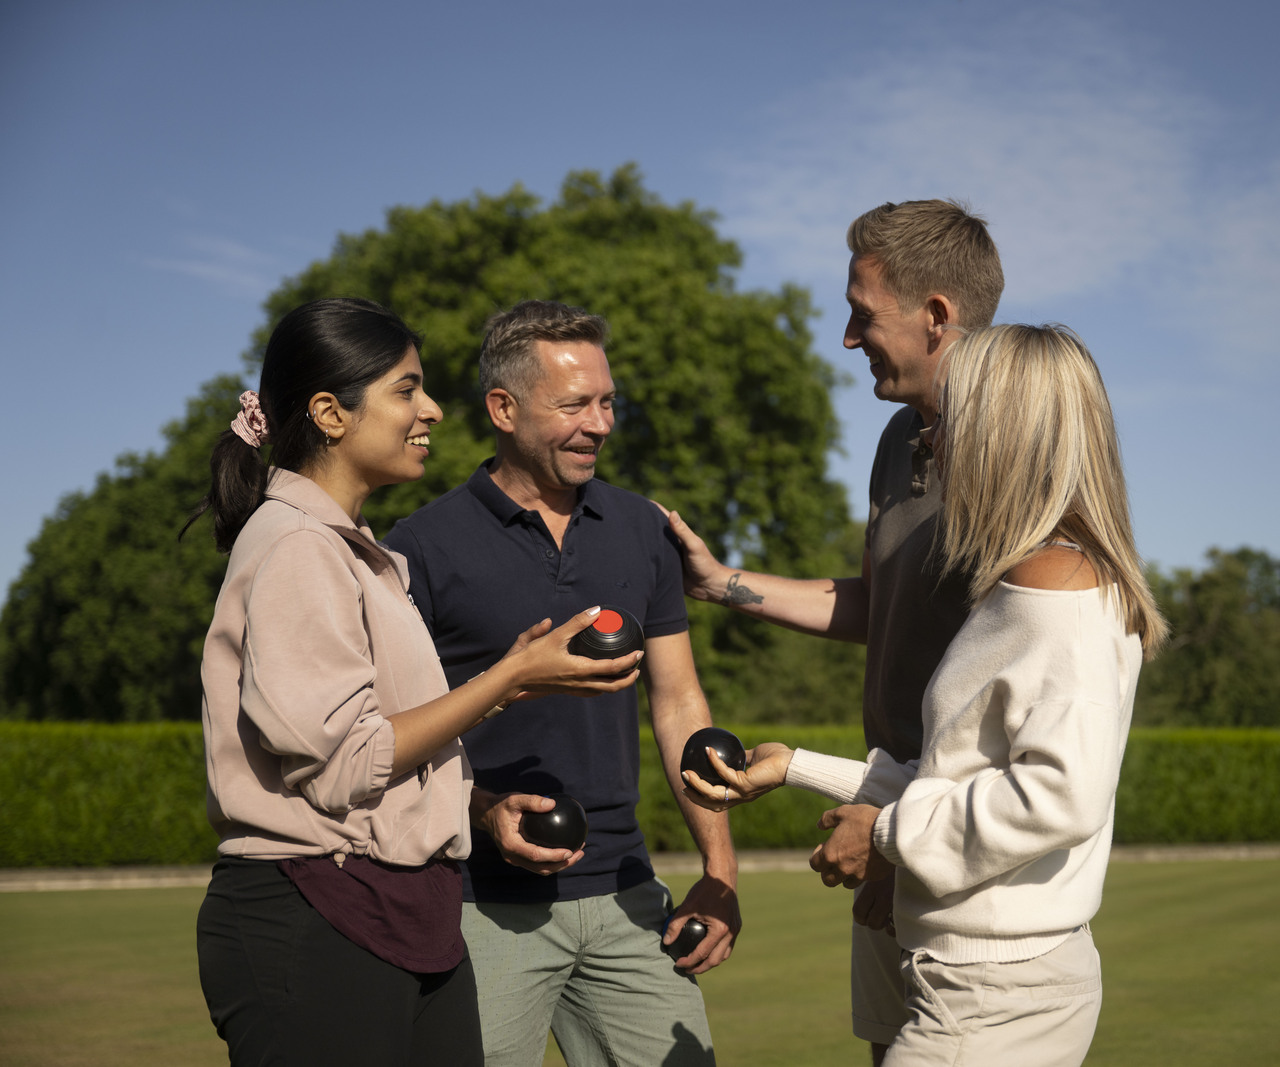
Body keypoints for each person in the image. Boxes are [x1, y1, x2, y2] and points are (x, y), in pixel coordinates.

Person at [684, 323, 1169, 1066]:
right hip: (969, 983)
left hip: (997, 1000)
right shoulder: (1019, 579)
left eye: (949, 421)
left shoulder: (1060, 591)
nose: (931, 443)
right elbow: (960, 776)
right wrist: (796, 765)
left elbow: (1059, 797)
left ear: (1006, 433)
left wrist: (883, 836)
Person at [192, 297, 639, 1066]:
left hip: (401, 907)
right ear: (330, 413)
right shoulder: (297, 544)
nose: (431, 408)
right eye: (406, 390)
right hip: (314, 910)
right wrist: (504, 678)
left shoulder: (362, 553)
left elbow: (396, 742)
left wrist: (512, 694)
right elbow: (346, 767)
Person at [661, 198, 1003, 1061]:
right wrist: (722, 585)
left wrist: (897, 844)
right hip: (883, 803)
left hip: (958, 841)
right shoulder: (899, 439)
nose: (848, 340)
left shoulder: (1013, 451)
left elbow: (1016, 689)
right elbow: (879, 605)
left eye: (863, 316)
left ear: (936, 317)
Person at [385, 299, 738, 1067]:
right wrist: (479, 808)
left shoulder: (643, 529)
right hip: (478, 906)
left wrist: (719, 869)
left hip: (629, 896)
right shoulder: (417, 548)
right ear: (503, 409)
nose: (600, 423)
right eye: (575, 403)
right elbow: (389, 734)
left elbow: (678, 702)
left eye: (608, 401)